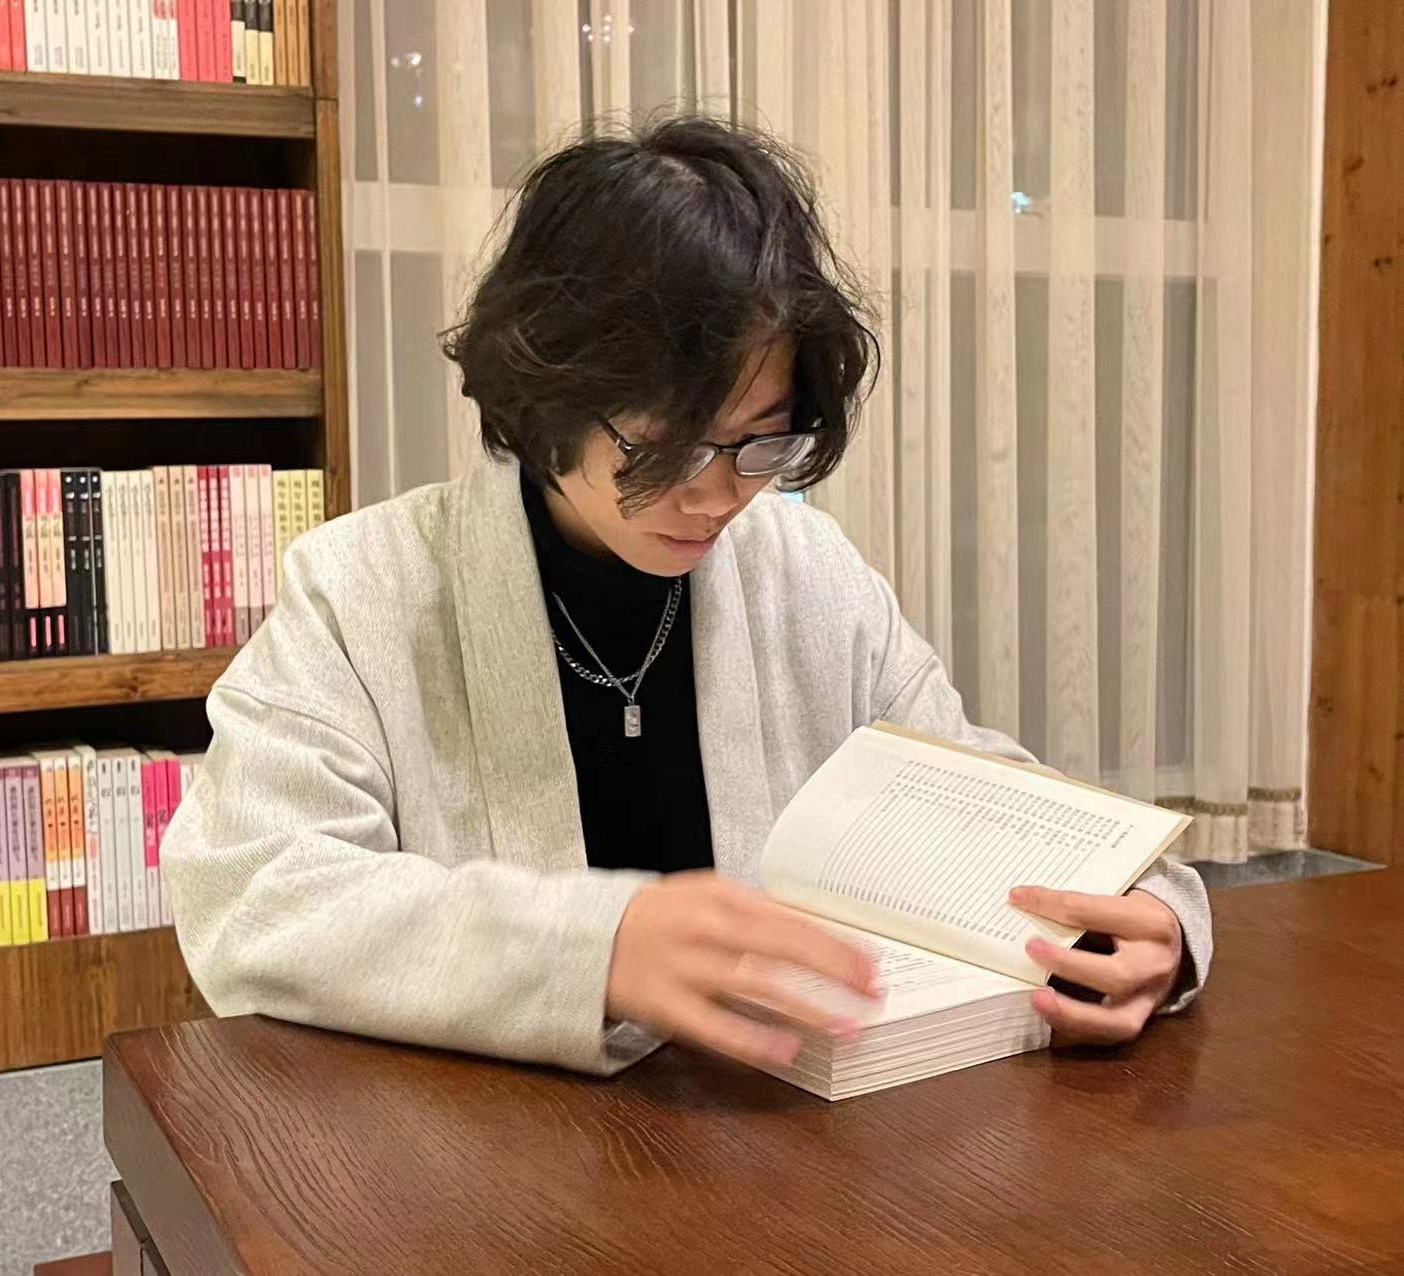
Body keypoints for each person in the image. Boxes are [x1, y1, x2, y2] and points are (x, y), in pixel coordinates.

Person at [162, 117, 1211, 1076]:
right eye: (662, 445)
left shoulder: (804, 572)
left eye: (760, 440)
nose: (717, 495)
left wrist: (1150, 921)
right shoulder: (362, 590)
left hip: (775, 1143)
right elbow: (255, 896)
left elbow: (984, 796)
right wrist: (597, 947)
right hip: (477, 1158)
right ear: (544, 393)